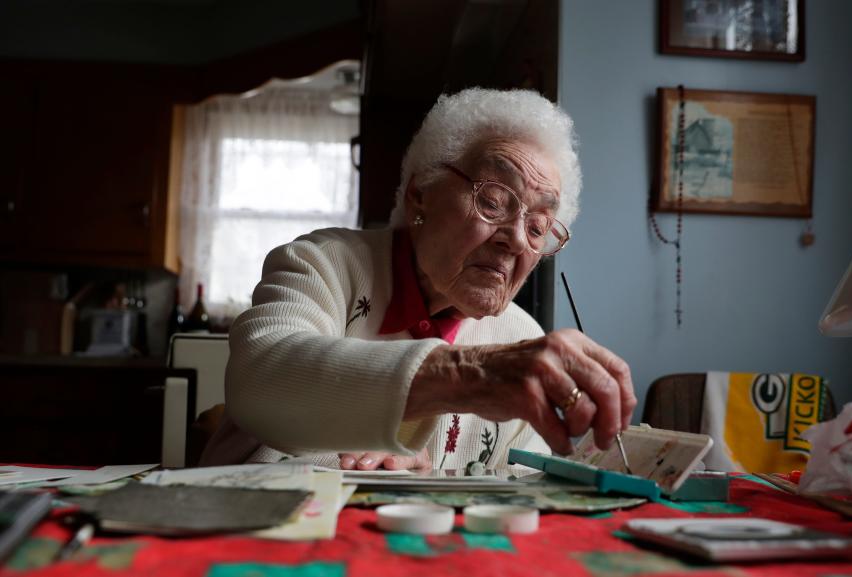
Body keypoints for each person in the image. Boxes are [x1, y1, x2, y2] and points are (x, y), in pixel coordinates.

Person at [200, 88, 636, 471]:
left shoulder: (521, 336)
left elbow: (521, 488)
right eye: (495, 201)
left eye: (539, 226)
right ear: (419, 195)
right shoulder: (324, 264)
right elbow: (260, 380)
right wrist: (474, 375)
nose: (517, 240)